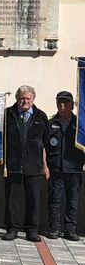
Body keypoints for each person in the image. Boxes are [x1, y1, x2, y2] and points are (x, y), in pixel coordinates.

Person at [3, 85, 49, 242]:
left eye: (28, 98)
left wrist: (45, 165)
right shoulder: (8, 114)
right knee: (12, 199)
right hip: (13, 164)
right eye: (22, 98)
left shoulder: (41, 116)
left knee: (34, 200)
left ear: (33, 99)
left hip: (34, 165)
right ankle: (12, 228)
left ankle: (32, 230)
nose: (25, 101)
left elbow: (46, 143)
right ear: (16, 98)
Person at [44, 91, 84, 241]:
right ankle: (54, 228)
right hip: (56, 167)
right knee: (55, 200)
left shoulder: (80, 124)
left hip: (74, 168)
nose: (62, 105)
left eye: (65, 103)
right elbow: (44, 147)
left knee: (72, 201)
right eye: (59, 102)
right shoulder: (51, 123)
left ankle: (70, 230)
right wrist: (45, 167)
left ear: (72, 105)